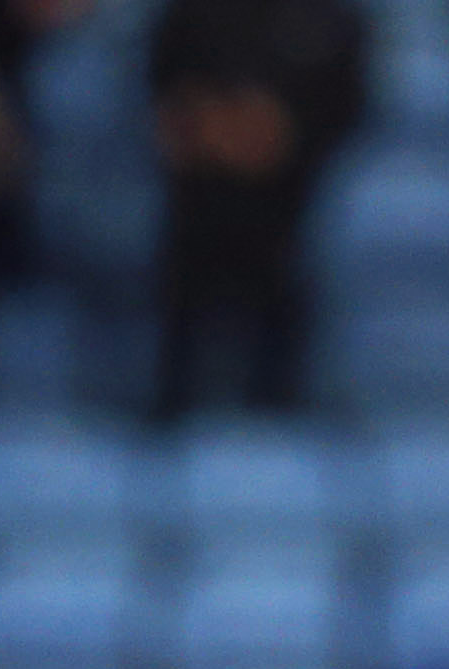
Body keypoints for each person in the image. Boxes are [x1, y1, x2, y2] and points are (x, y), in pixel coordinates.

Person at [145, 0, 367, 418]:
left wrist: (281, 135)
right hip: (195, 230)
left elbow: (347, 109)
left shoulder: (336, 21)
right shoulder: (189, 15)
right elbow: (164, 102)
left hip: (291, 231)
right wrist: (225, 132)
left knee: (279, 398)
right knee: (178, 388)